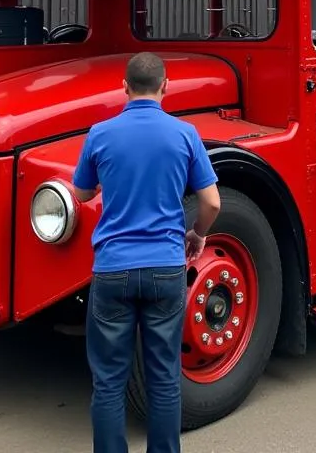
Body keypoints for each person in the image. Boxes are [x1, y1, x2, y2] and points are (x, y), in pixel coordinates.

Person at [73, 52, 221, 453]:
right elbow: (211, 202)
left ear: (124, 87)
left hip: (113, 270)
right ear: (165, 87)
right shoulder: (185, 134)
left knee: (108, 381)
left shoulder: (100, 133)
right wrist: (197, 235)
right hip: (165, 269)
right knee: (163, 377)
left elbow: (82, 192)